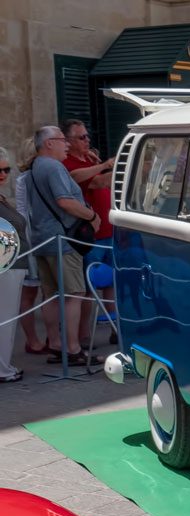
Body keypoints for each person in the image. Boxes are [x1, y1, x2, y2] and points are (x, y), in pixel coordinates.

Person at [25, 125, 102, 366]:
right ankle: (73, 348)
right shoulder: (54, 167)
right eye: (62, 140)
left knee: (50, 295)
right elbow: (64, 201)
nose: (66, 144)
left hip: (42, 239)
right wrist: (91, 216)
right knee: (74, 294)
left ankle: (56, 344)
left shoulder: (34, 167)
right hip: (63, 239)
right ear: (48, 143)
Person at [62, 119, 115, 345]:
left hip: (109, 229)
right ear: (68, 141)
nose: (87, 140)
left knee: (111, 281)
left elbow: (104, 182)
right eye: (81, 137)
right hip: (90, 234)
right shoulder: (67, 163)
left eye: (87, 136)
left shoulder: (89, 159)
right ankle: (83, 334)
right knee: (86, 288)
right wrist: (104, 165)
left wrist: (114, 166)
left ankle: (113, 326)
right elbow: (88, 182)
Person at [0, 147, 30, 383]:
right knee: (5, 320)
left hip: (12, 264)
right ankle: (3, 369)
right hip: (5, 266)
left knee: (7, 319)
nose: (3, 174)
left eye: (6, 169)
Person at [14, 138, 46, 355]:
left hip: (41, 237)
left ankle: (45, 339)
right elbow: (23, 212)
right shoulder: (25, 179)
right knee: (29, 292)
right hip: (32, 238)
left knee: (47, 291)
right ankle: (33, 340)